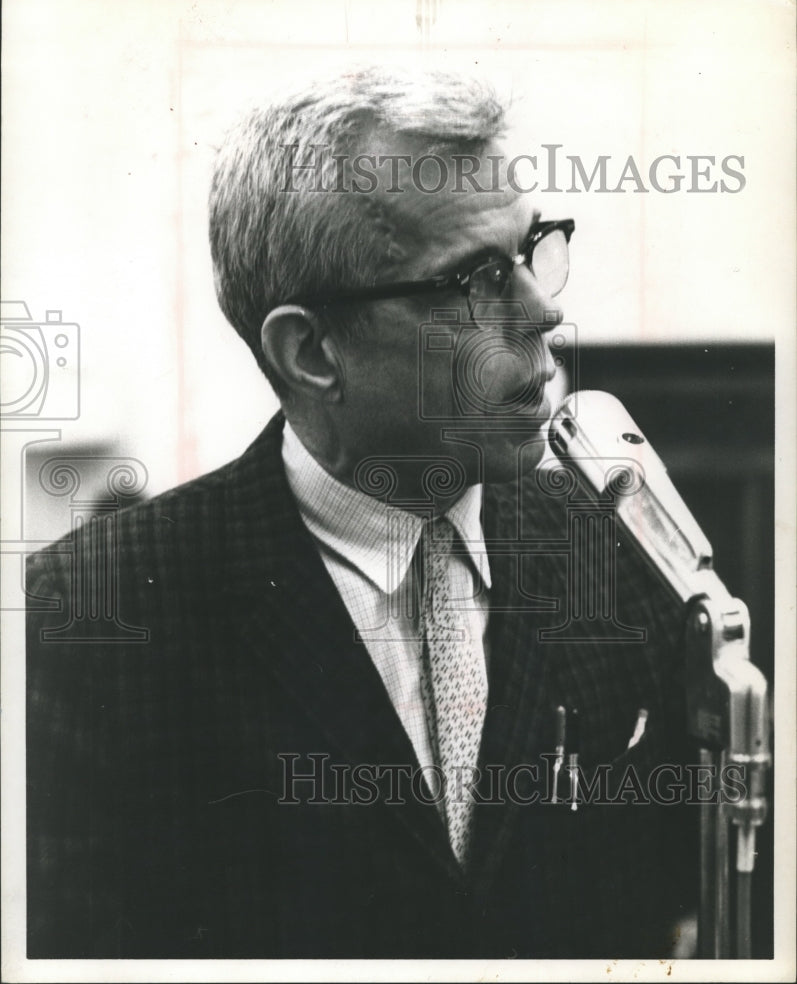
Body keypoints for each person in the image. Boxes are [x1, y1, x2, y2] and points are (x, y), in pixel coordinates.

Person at [26, 66, 695, 959]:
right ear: (311, 353)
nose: (544, 310)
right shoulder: (89, 619)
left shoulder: (620, 550)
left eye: (531, 249)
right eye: (475, 280)